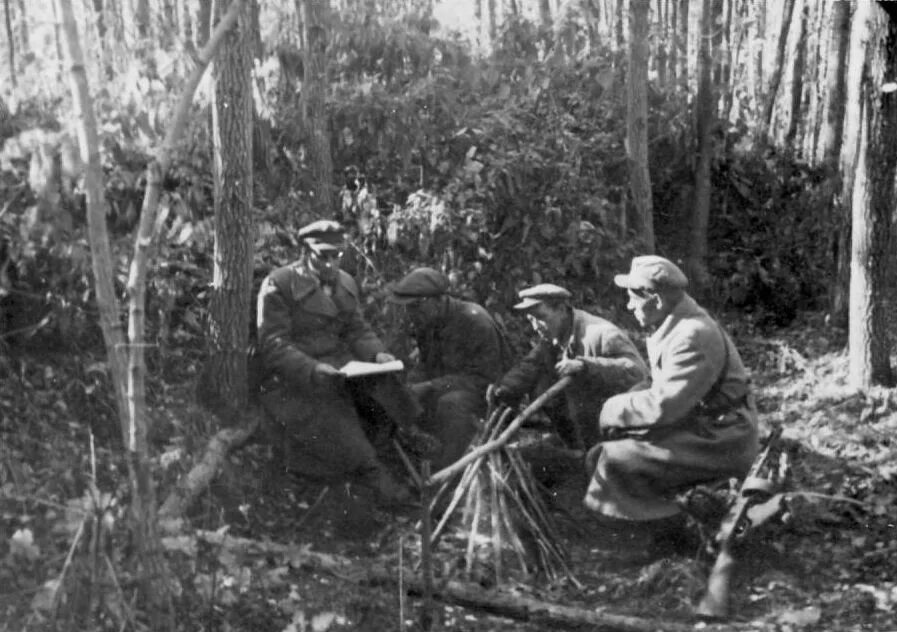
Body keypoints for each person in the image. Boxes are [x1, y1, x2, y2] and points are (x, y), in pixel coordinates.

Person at [585, 255, 760, 551]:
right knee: (604, 452)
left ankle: (660, 534)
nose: (628, 306)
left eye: (632, 298)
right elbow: (660, 384)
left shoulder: (692, 335)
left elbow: (666, 406)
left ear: (654, 299)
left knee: (613, 459)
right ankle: (655, 525)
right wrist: (626, 404)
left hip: (722, 438)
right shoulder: (675, 324)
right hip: (702, 425)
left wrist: (613, 409)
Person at [255, 220, 427, 505]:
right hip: (296, 380)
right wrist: (311, 369)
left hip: (341, 369)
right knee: (337, 425)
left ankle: (409, 448)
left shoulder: (345, 282)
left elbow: (357, 330)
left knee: (388, 393)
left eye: (336, 255)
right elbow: (273, 344)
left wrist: (377, 354)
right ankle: (383, 487)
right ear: (304, 251)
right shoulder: (280, 283)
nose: (330, 263)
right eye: (323, 256)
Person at [487, 284, 648, 452]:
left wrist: (586, 366)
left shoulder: (601, 334)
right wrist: (504, 388)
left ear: (562, 309)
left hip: (619, 431)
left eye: (540, 317)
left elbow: (638, 373)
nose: (535, 326)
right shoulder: (553, 338)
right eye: (531, 319)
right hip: (585, 426)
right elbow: (529, 366)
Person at [388, 267, 510, 470]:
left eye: (415, 307)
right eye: (408, 308)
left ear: (436, 300)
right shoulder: (429, 321)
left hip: (487, 397)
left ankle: (449, 470)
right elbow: (426, 364)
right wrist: (411, 385)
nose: (411, 314)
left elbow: (486, 378)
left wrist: (430, 386)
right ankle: (410, 464)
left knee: (451, 403)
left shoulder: (474, 320)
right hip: (448, 388)